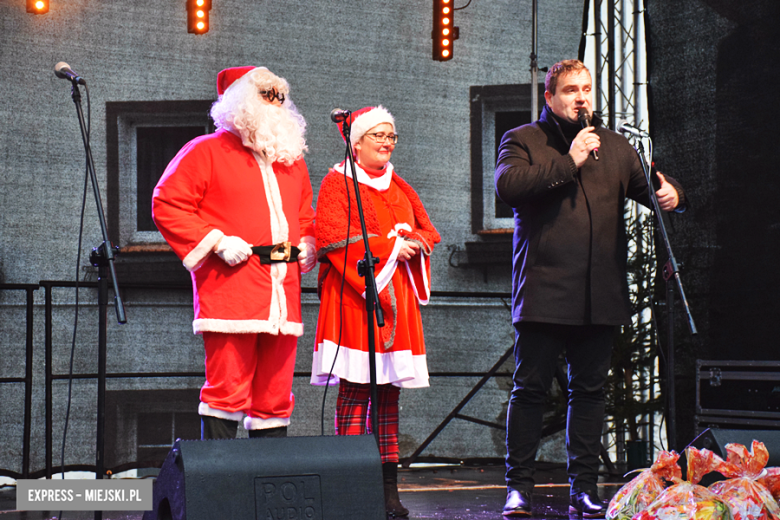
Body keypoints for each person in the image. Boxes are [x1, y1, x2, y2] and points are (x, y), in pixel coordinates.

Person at [494, 60, 685, 517]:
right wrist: (570, 160)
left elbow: (652, 187)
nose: (581, 97)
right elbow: (509, 187)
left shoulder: (615, 148)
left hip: (600, 293)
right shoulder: (523, 140)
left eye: (586, 88)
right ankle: (518, 488)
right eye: (569, 90)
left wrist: (671, 193)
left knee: (590, 393)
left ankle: (584, 488)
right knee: (530, 391)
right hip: (544, 289)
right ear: (550, 97)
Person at [152, 66, 316, 440]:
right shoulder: (204, 151)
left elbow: (305, 214)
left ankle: (270, 486)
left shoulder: (291, 161)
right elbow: (168, 203)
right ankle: (218, 488)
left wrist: (309, 243)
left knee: (275, 395)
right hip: (232, 289)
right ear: (241, 101)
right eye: (266, 96)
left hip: (282, 293)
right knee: (227, 390)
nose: (276, 105)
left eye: (280, 98)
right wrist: (217, 241)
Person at [311, 106, 440, 518]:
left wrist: (412, 240)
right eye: (378, 136)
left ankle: (387, 492)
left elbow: (424, 230)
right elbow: (333, 240)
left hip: (395, 300)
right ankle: (349, 490)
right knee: (354, 393)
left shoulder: (398, 186)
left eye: (392, 136)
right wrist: (390, 248)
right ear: (357, 142)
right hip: (355, 298)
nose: (386, 142)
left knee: (388, 398)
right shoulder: (337, 183)